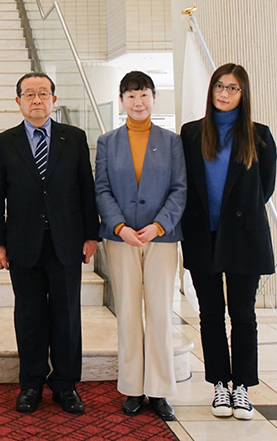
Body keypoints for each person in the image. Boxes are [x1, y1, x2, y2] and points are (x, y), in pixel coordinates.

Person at [0, 73, 99, 415]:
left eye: (43, 94)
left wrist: (91, 235)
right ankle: (31, 383)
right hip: (23, 244)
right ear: (18, 101)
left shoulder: (74, 138)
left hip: (66, 241)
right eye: (29, 94)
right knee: (30, 316)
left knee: (67, 316)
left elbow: (86, 190)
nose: (37, 100)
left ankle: (66, 385)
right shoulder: (4, 143)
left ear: (54, 99)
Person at [180, 63, 276, 421]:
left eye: (232, 88)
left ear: (243, 93)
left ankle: (242, 387)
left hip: (244, 237)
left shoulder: (259, 135)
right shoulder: (191, 134)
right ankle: (220, 383)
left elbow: (264, 188)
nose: (224, 93)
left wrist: (236, 217)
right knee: (210, 314)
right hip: (202, 235)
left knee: (243, 314)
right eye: (219, 86)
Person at [95, 71, 186, 422]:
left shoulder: (171, 141)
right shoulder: (108, 141)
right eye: (130, 96)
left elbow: (180, 188)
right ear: (121, 101)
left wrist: (159, 224)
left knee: (161, 314)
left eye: (144, 95)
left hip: (161, 237)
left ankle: (160, 390)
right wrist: (119, 225)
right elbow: (101, 188)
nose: (137, 102)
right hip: (120, 239)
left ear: (153, 98)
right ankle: (133, 388)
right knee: (129, 314)